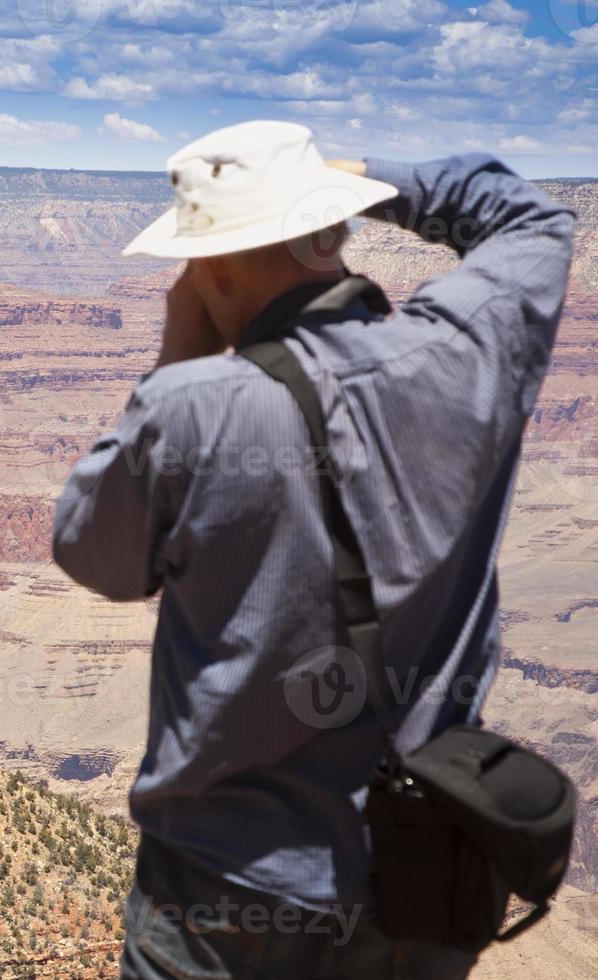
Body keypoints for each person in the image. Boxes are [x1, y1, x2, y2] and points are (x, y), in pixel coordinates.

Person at [51, 120, 574, 979]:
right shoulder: (466, 351)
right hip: (422, 883)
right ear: (332, 230)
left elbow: (95, 556)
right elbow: (535, 224)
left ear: (213, 266)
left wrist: (174, 358)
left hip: (223, 896)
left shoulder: (193, 409)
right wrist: (361, 173)